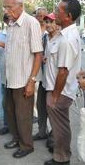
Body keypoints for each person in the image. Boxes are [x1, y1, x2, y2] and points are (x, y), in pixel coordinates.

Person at [2, 0, 43, 158]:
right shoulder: (11, 24)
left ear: (21, 5)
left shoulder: (31, 23)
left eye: (9, 7)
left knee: (23, 115)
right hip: (10, 79)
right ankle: (17, 138)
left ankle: (26, 145)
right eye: (4, 7)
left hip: (24, 80)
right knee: (10, 111)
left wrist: (32, 81)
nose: (6, 11)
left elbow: (38, 54)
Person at [44, 0, 82, 165]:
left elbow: (63, 71)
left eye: (58, 10)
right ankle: (62, 152)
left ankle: (62, 159)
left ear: (68, 15)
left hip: (60, 91)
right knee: (60, 125)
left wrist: (54, 96)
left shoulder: (67, 38)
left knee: (60, 127)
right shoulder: (64, 34)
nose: (55, 13)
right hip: (59, 90)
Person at [42, 12, 61, 151]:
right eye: (46, 22)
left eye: (51, 22)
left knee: (57, 114)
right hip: (46, 81)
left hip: (57, 83)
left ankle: (57, 142)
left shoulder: (62, 39)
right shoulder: (46, 38)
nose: (48, 25)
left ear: (57, 24)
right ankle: (51, 136)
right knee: (49, 111)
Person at [32, 7, 50, 142]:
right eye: (39, 16)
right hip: (38, 73)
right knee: (40, 105)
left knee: (52, 107)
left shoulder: (52, 30)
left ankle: (52, 134)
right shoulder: (33, 30)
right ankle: (41, 131)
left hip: (50, 74)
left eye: (45, 16)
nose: (42, 19)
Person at [0, 14, 9, 135]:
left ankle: (15, 125)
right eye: (9, 19)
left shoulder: (20, 33)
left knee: (16, 101)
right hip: (1, 72)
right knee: (4, 99)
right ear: (5, 21)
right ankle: (6, 124)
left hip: (17, 73)